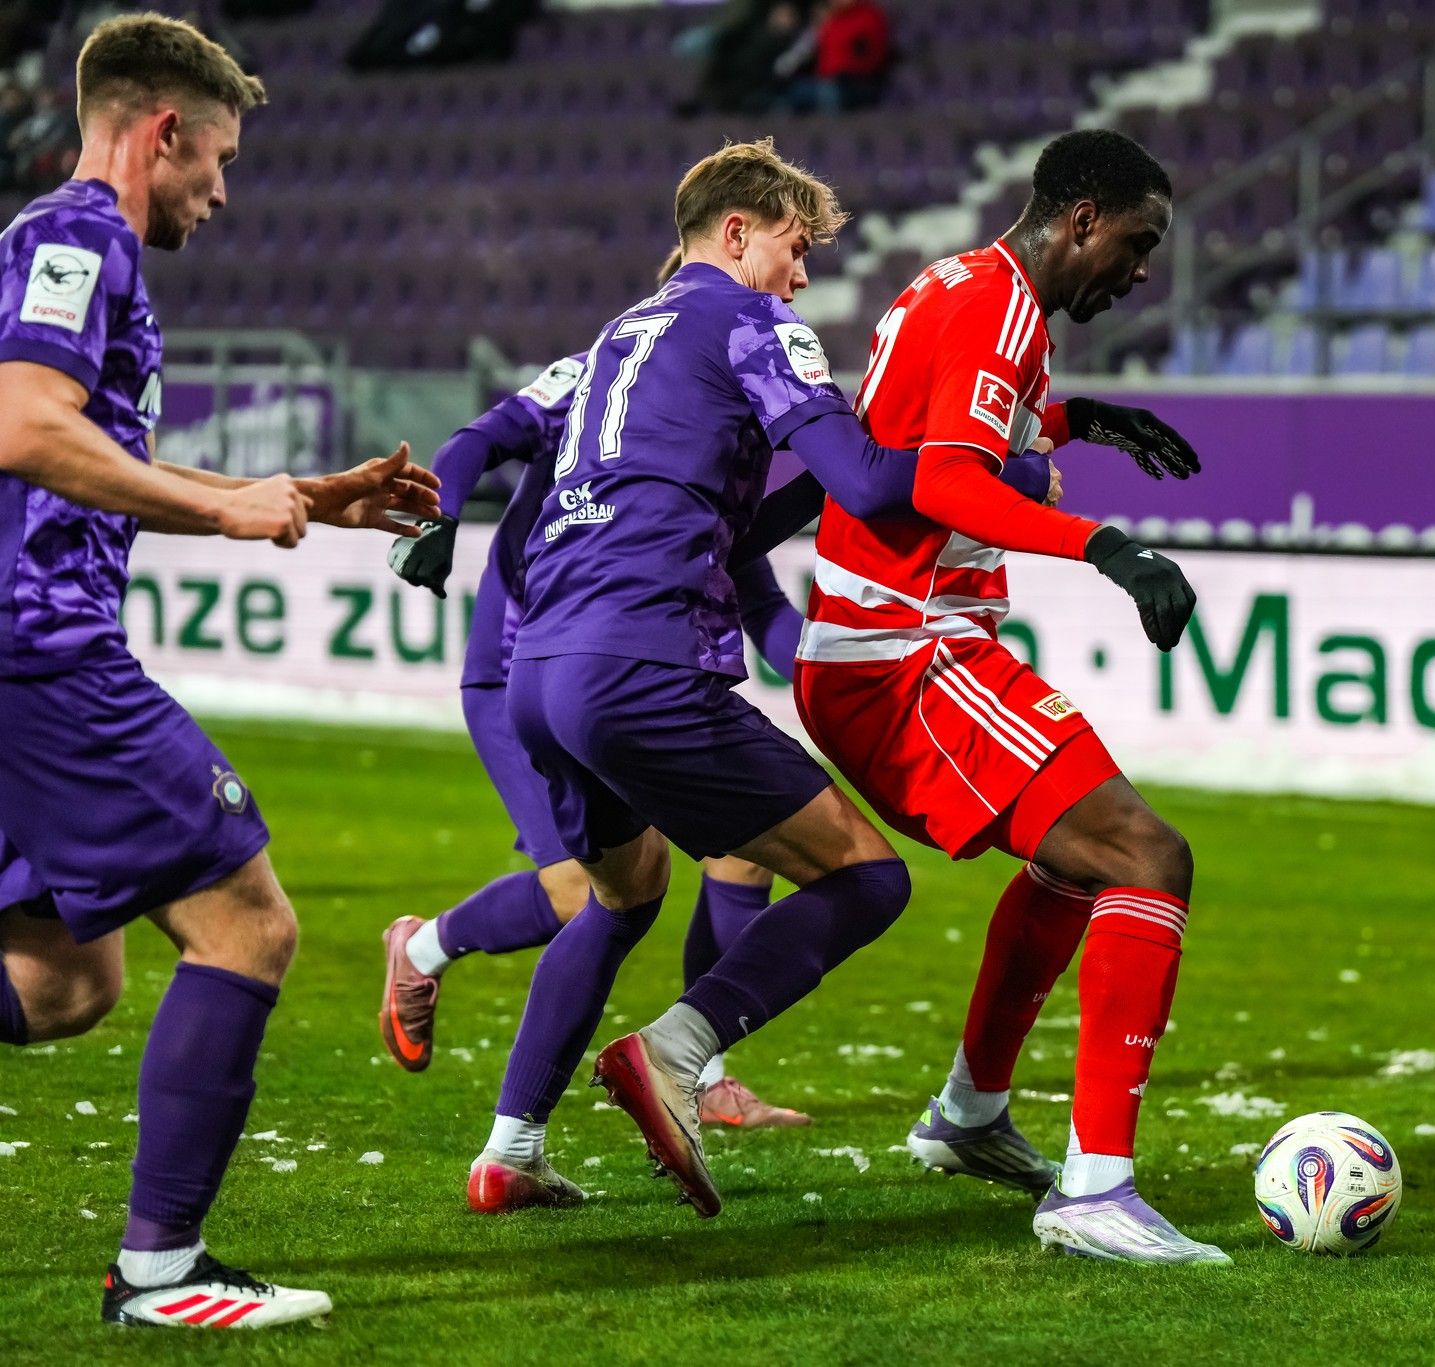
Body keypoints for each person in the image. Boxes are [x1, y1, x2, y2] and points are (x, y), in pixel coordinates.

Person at [470, 137, 1044, 1219]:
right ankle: (673, 1051)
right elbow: (869, 486)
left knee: (623, 889)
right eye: (793, 244)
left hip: (537, 666)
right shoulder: (750, 320)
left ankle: (511, 1145)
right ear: (737, 232)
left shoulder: (617, 337)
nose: (803, 275)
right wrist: (1000, 468)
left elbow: (763, 510)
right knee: (868, 876)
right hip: (641, 666)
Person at [0, 15, 440, 1328]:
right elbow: (23, 427)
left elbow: (68, 438)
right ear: (164, 132)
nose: (224, 192)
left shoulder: (53, 245)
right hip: (45, 649)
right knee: (249, 920)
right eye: (219, 159)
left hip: (23, 650)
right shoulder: (80, 239)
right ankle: (161, 1271)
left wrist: (297, 495)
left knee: (69, 976)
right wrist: (226, 513)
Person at [791, 129, 1225, 1265]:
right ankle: (1095, 1190)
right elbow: (942, 478)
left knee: (1078, 859)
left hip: (895, 644)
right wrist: (1108, 545)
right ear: (1081, 217)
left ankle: (973, 1113)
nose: (1139, 272)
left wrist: (1081, 420)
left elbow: (945, 420)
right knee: (1146, 854)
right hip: (906, 655)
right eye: (1137, 243)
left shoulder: (974, 285)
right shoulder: (999, 308)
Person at [781, 0, 891, 114]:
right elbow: (812, 49)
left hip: (856, 84)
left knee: (824, 94)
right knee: (793, 93)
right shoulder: (832, 19)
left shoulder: (870, 17)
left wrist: (851, 70)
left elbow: (873, 56)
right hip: (826, 81)